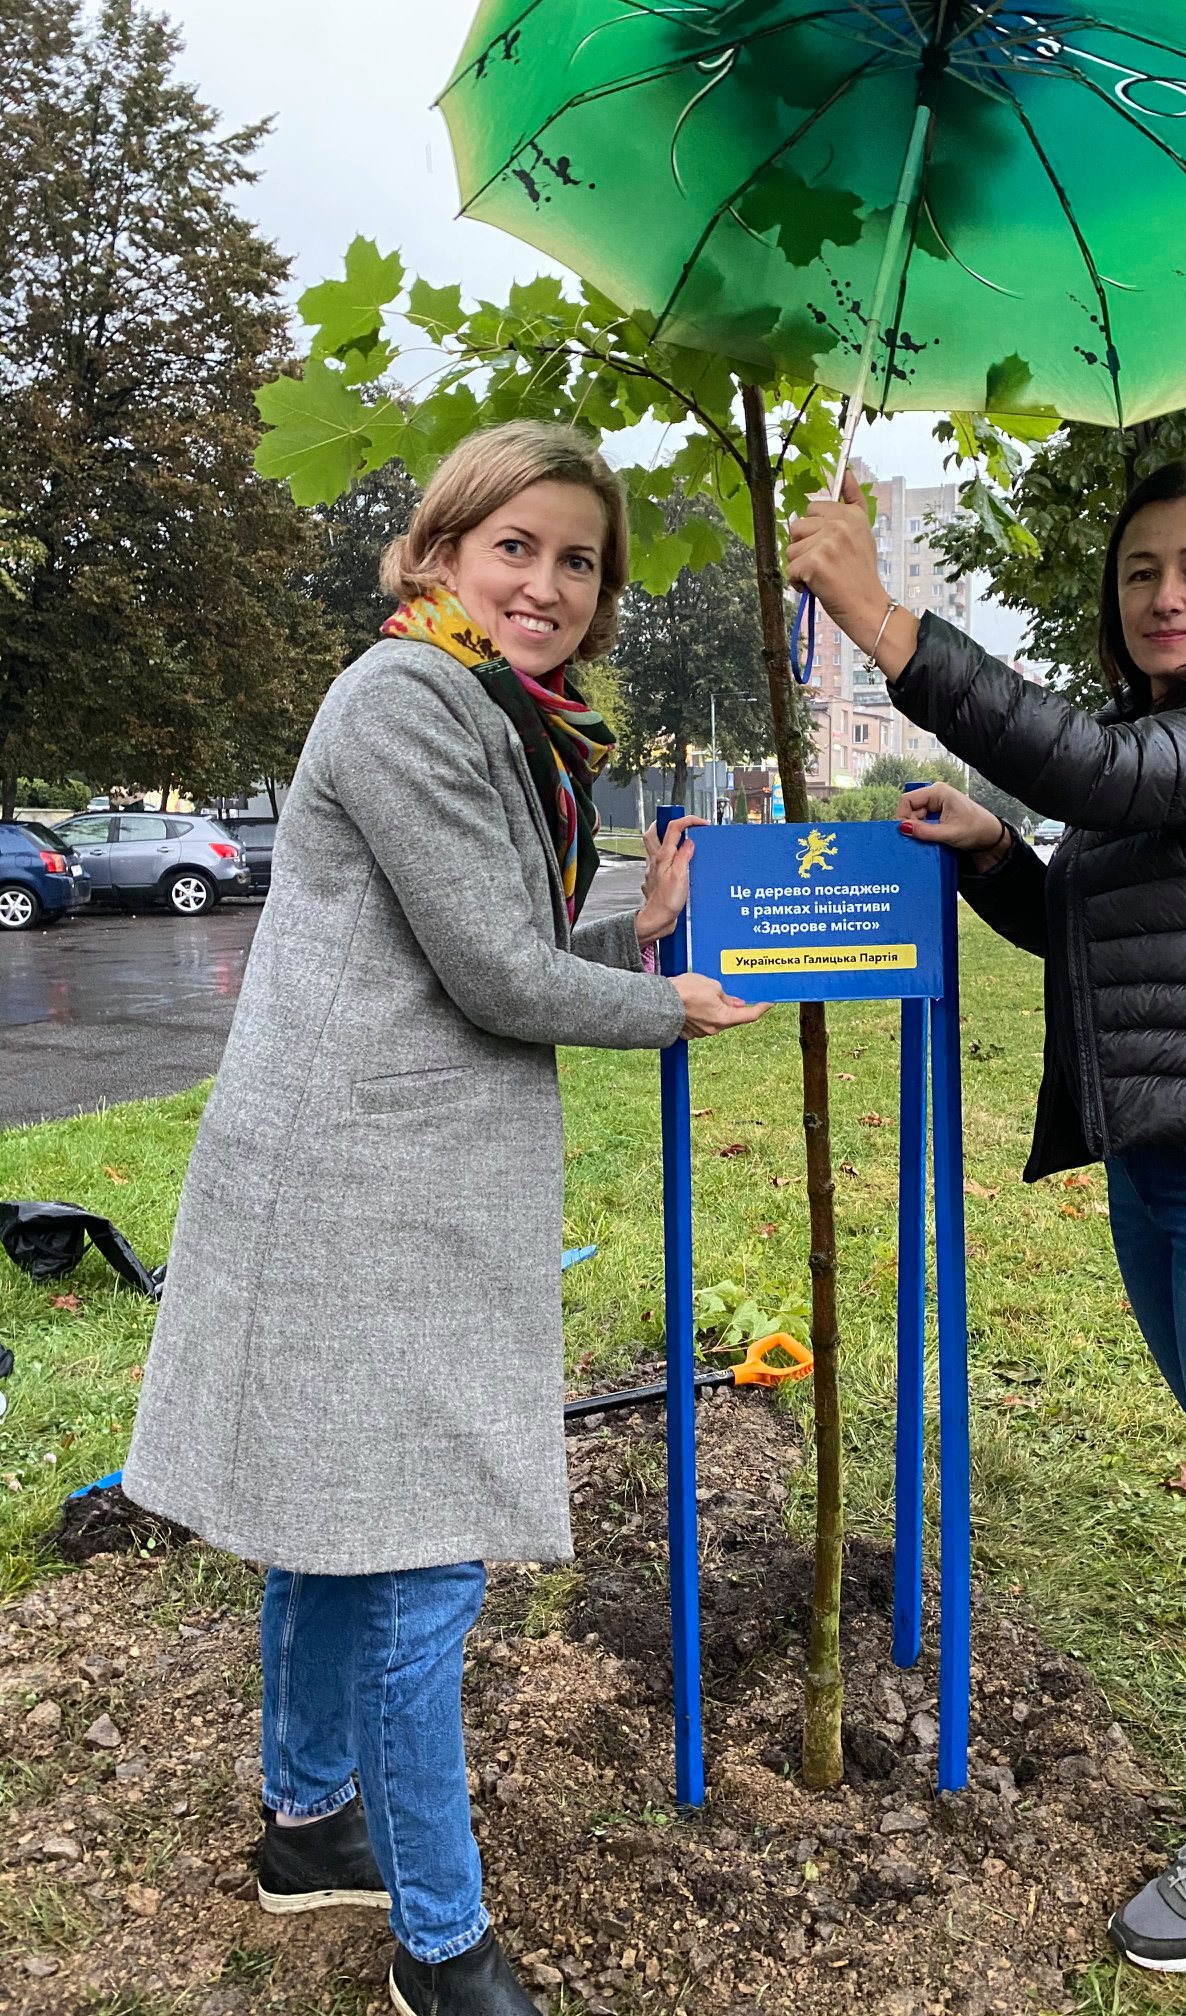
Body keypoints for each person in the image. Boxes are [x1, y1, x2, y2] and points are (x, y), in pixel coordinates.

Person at [124, 422, 767, 2016]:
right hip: (360, 1189)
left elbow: (488, 947)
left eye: (579, 560)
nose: (548, 583)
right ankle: (441, 1944)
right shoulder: (409, 698)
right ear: (438, 551)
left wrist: (638, 932)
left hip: (382, 1178)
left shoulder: (499, 712)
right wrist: (669, 1002)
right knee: (417, 1563)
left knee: (335, 1526)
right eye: (515, 546)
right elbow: (492, 976)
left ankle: (305, 1822)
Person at [788, 458, 1186, 1976]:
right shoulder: (1156, 746)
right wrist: (997, 858)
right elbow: (1088, 925)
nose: (1165, 595)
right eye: (1142, 571)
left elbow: (1097, 775)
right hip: (1168, 1175)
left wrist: (881, 617)